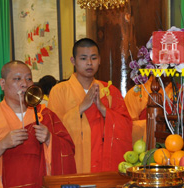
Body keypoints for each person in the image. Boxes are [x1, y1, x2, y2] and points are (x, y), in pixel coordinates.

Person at [48, 38, 132, 173]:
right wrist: (81, 108)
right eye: (83, 58)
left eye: (93, 58)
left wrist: (104, 110)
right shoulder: (59, 91)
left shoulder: (110, 91)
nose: (89, 63)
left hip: (105, 164)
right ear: (73, 61)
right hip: (75, 163)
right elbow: (53, 131)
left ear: (99, 60)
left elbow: (127, 126)